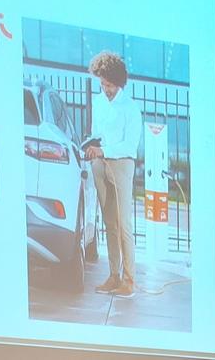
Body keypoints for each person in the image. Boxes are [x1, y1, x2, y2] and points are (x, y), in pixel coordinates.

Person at [85, 51, 142, 298]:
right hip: (100, 163)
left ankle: (129, 280)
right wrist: (91, 146)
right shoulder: (98, 102)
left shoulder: (131, 108)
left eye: (109, 84)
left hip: (121, 164)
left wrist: (104, 150)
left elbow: (130, 145)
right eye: (102, 84)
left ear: (119, 81)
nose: (105, 89)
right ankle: (113, 276)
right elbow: (96, 132)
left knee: (123, 224)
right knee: (109, 223)